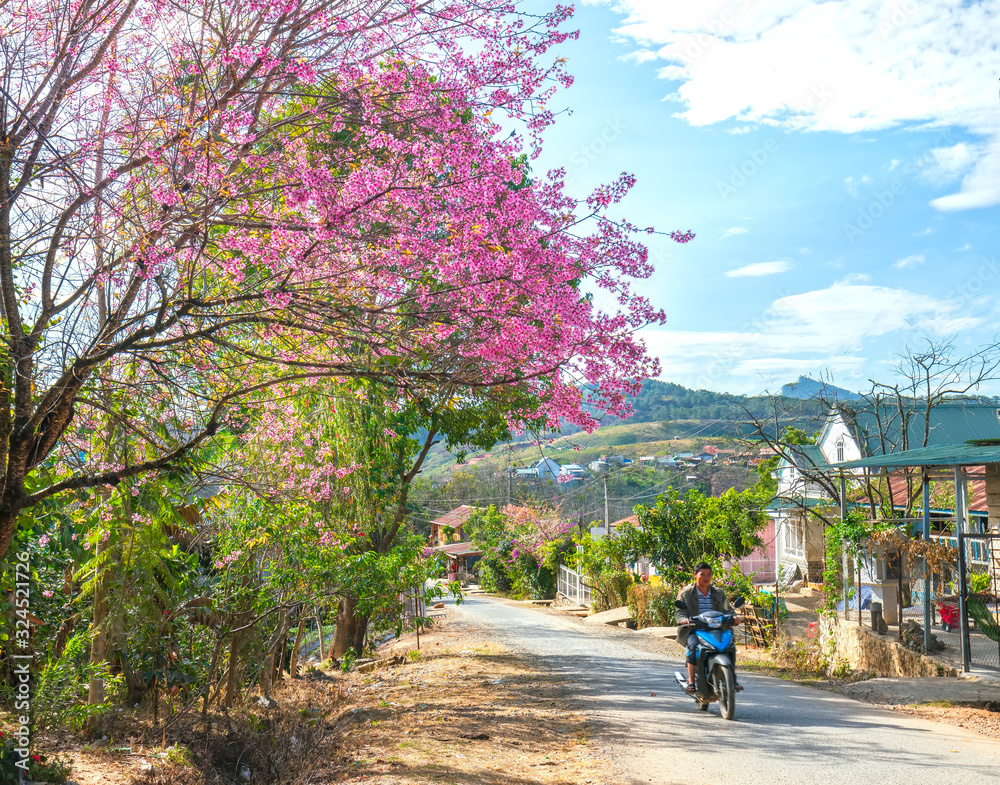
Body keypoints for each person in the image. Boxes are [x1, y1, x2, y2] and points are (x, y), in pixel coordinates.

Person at [675, 562, 742, 693]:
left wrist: (734, 618)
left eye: (709, 574)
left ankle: (732, 679)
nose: (706, 577)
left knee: (730, 646)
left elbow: (728, 609)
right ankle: (691, 681)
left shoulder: (718, 593)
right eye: (702, 574)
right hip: (695, 628)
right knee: (693, 647)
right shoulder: (686, 593)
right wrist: (683, 620)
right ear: (695, 575)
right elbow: (679, 611)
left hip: (718, 628)